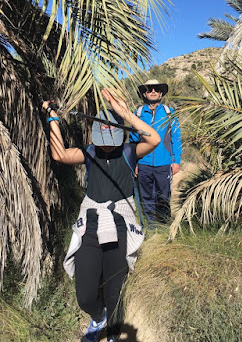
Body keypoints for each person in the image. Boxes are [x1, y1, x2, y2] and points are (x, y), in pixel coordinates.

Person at [42, 88, 160, 342]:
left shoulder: (129, 152)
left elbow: (154, 140)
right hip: (92, 227)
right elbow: (60, 154)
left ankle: (114, 334)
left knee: (115, 290)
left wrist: (123, 112)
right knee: (84, 294)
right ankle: (98, 318)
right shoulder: (91, 152)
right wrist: (52, 118)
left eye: (111, 141)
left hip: (120, 228)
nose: (107, 147)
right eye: (103, 141)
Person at [129, 79, 182, 226]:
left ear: (161, 93)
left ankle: (164, 225)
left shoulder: (169, 112)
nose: (153, 91)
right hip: (143, 163)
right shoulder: (138, 113)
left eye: (156, 89)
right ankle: (151, 227)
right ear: (144, 93)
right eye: (149, 89)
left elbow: (176, 138)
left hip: (164, 163)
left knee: (163, 197)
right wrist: (134, 163)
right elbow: (133, 140)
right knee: (146, 197)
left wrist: (176, 160)